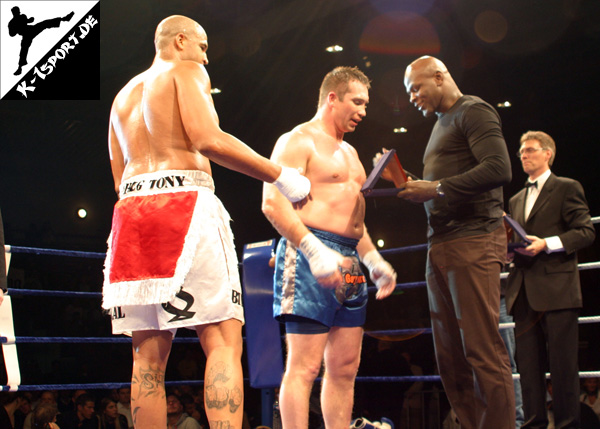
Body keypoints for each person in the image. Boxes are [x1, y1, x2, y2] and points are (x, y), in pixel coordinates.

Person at [101, 15, 310, 429]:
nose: (206, 56)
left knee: (146, 354)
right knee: (221, 339)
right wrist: (282, 175)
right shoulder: (185, 69)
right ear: (181, 41)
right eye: (203, 46)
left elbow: (118, 177)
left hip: (132, 216)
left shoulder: (121, 97)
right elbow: (208, 139)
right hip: (183, 203)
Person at [262, 66, 397, 429]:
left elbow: (354, 219)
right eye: (357, 101)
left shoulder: (351, 153)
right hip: (308, 254)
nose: (364, 111)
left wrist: (373, 259)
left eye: (366, 104)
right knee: (304, 367)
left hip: (350, 258)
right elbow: (272, 204)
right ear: (332, 98)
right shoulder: (297, 141)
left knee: (345, 367)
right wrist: (312, 250)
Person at [397, 55, 515, 428]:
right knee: (450, 357)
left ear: (439, 75)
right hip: (443, 244)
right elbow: (445, 185)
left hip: (474, 240)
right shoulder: (439, 124)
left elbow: (499, 168)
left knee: (481, 351)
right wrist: (411, 183)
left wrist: (436, 188)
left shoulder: (473, 110)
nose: (413, 97)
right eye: (408, 91)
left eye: (416, 87)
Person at [505, 130, 595, 428]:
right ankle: (533, 424)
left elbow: (585, 232)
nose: (523, 155)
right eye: (521, 151)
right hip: (523, 291)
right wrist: (510, 253)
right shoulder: (516, 199)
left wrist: (547, 243)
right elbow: (519, 241)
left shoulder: (567, 187)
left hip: (557, 290)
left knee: (563, 367)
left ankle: (569, 424)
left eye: (529, 149)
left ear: (548, 153)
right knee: (528, 369)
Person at [8, 6, 74, 75]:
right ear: (13, 13)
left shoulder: (22, 16)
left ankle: (64, 19)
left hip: (31, 30)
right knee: (23, 50)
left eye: (18, 11)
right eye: (16, 12)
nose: (18, 13)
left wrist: (30, 20)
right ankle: (20, 68)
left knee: (44, 23)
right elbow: (11, 34)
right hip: (26, 35)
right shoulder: (12, 23)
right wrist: (15, 28)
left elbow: (28, 21)